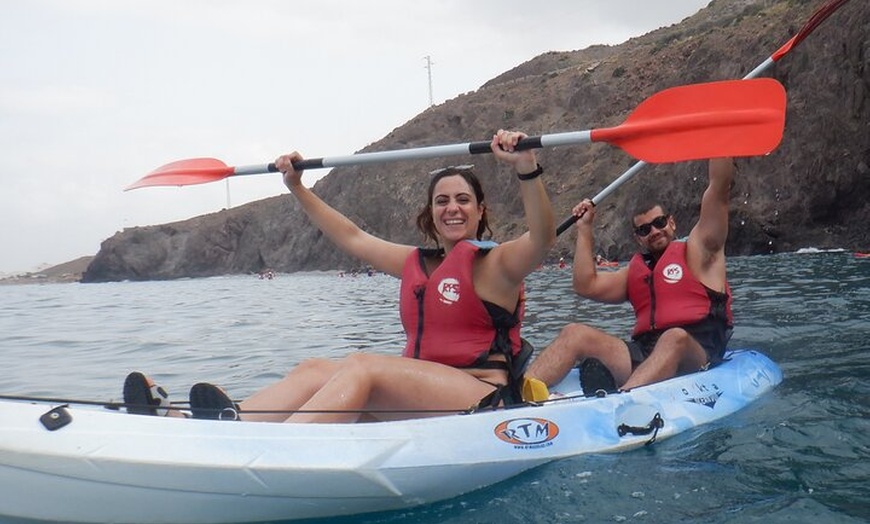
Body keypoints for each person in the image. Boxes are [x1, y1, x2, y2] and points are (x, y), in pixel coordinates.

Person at [123, 129, 555, 422]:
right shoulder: (416, 264)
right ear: (431, 214)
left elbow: (542, 238)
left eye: (463, 199)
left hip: (482, 398)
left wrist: (525, 166)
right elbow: (350, 236)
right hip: (423, 390)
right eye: (442, 201)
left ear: (480, 212)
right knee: (314, 369)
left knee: (364, 366)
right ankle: (227, 422)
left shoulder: (497, 264)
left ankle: (272, 445)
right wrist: (297, 186)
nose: (452, 208)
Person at [525, 158, 734, 396]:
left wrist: (720, 143)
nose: (654, 231)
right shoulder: (635, 273)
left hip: (697, 353)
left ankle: (621, 398)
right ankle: (515, 395)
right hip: (645, 354)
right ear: (638, 238)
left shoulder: (701, 251)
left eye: (659, 223)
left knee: (673, 338)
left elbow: (719, 189)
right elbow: (585, 285)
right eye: (644, 230)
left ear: (672, 222)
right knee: (575, 333)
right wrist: (584, 230)